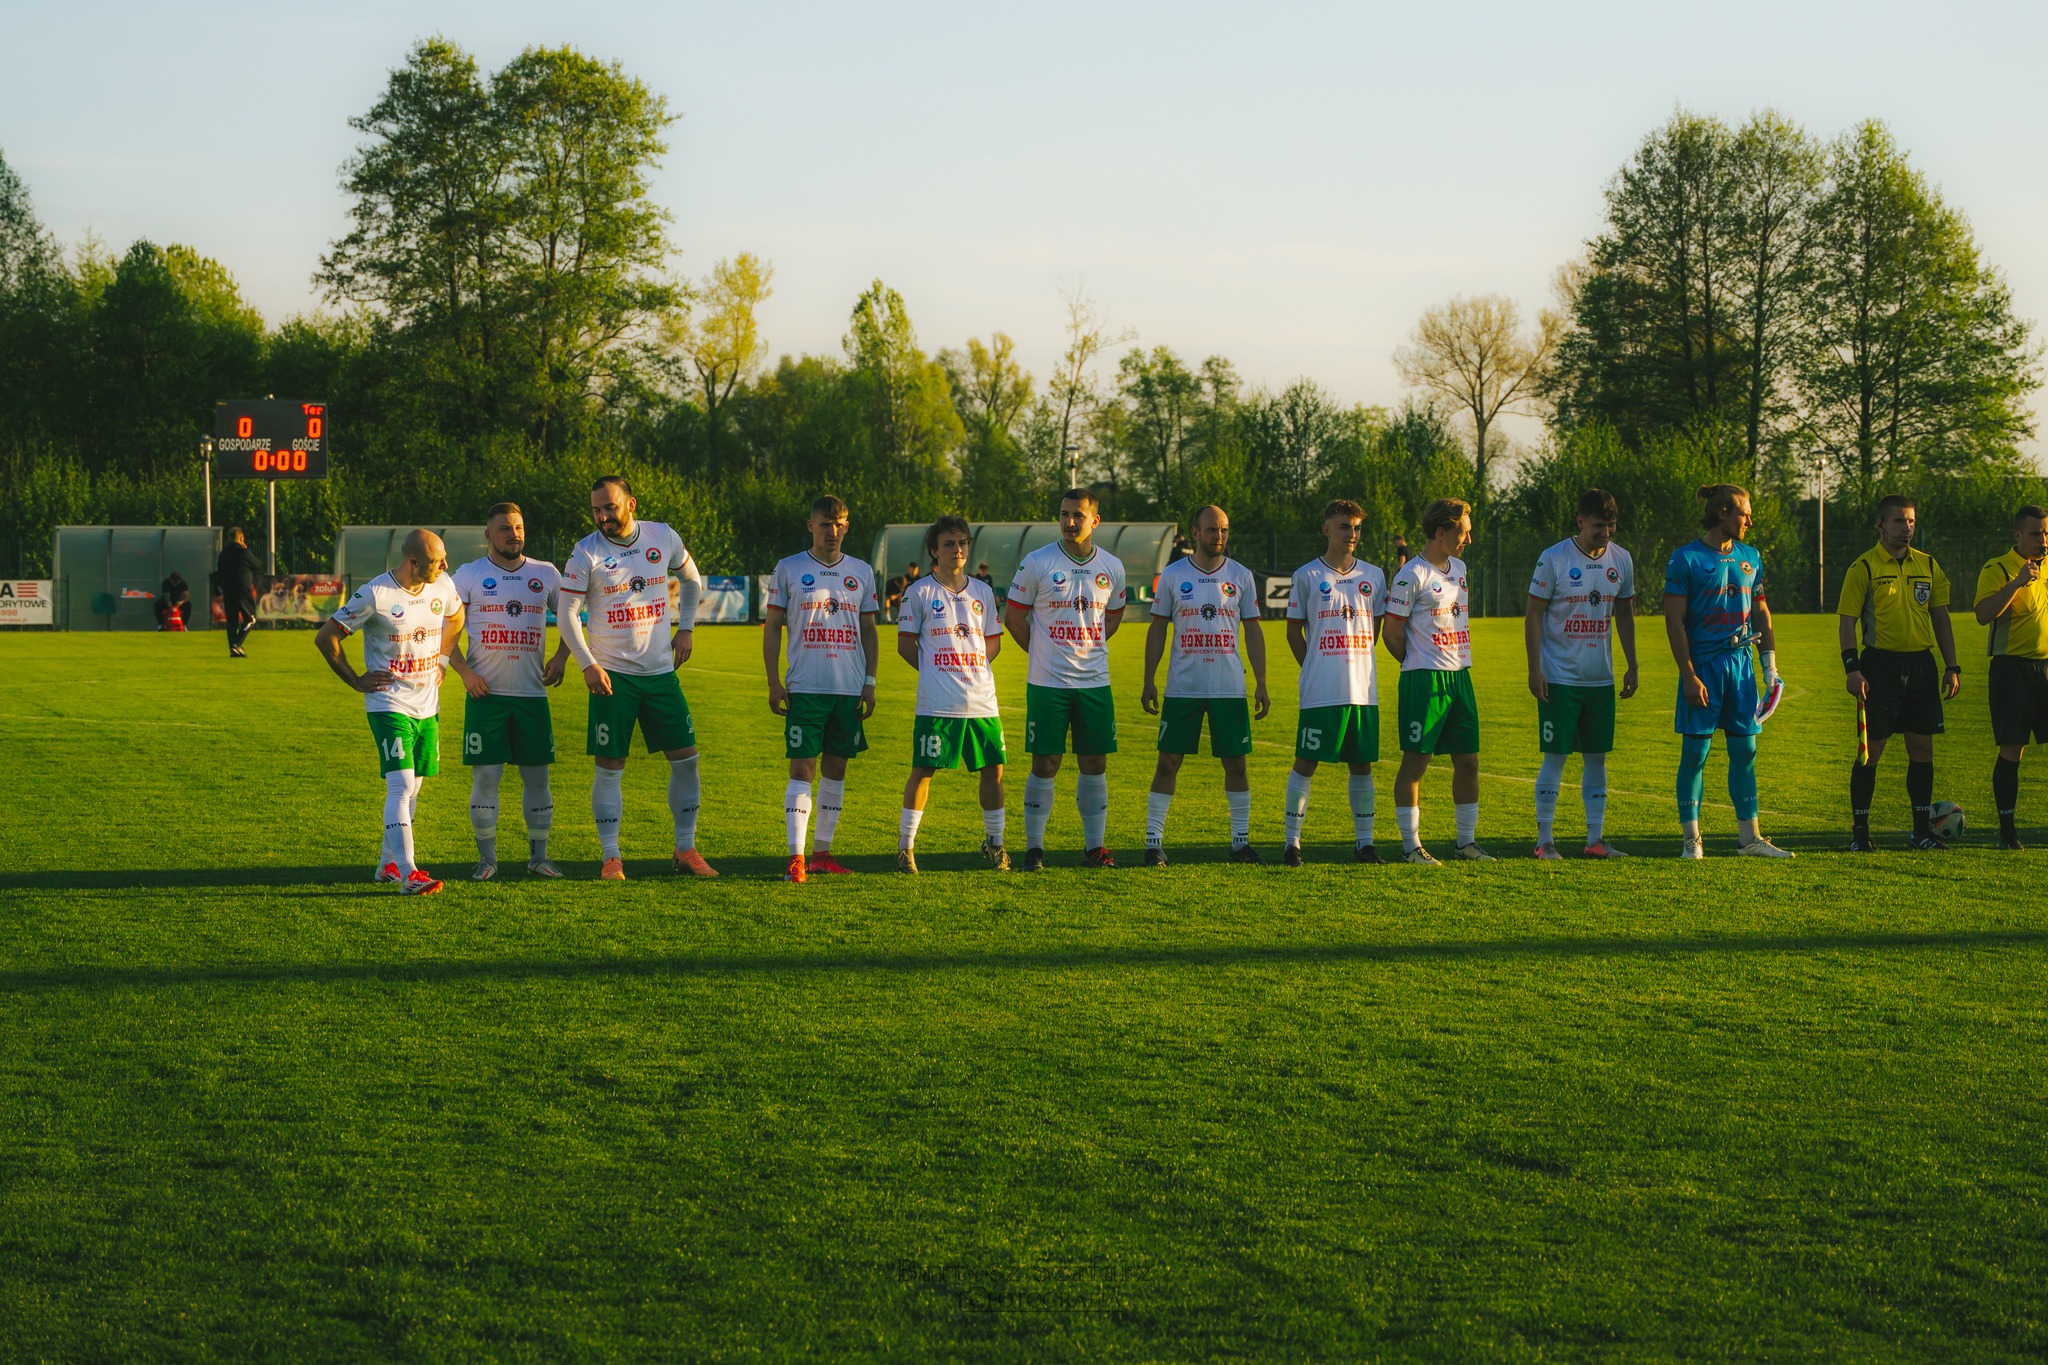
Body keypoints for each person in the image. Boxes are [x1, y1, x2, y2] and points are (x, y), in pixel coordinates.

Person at [555, 475, 718, 881]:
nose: (602, 517)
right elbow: (566, 613)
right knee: (610, 766)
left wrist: (686, 628)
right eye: (596, 510)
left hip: (660, 673)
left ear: (631, 504)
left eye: (609, 507)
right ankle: (611, 856)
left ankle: (686, 848)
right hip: (613, 676)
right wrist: (587, 664)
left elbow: (692, 580)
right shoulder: (585, 552)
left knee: (687, 760)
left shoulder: (662, 535)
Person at [314, 529, 460, 896]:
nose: (445, 565)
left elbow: (456, 618)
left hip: (427, 704)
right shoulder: (376, 594)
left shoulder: (442, 585)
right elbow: (326, 637)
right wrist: (355, 680)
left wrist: (443, 660)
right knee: (402, 785)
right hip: (388, 703)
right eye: (437, 561)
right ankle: (410, 874)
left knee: (415, 788)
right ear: (412, 562)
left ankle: (387, 866)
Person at [447, 502, 574, 880]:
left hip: (533, 696)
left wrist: (562, 656)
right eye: (504, 528)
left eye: (518, 527)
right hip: (486, 697)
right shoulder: (469, 575)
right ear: (489, 534)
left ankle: (539, 858)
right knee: (487, 778)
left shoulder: (545, 573)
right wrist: (466, 674)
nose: (513, 534)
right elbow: (445, 632)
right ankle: (487, 860)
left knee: (538, 779)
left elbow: (571, 620)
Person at [1664, 483, 1792, 858]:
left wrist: (1769, 667)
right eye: (1744, 514)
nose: (1749, 521)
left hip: (1741, 668)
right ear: (1722, 513)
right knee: (1695, 754)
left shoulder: (1751, 556)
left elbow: (1761, 612)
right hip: (1704, 667)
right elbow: (1674, 621)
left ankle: (1750, 839)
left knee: (1745, 751)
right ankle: (1692, 841)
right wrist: (1688, 674)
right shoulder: (1685, 559)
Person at [1005, 487, 1128, 870]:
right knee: (1046, 762)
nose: (1070, 522)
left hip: (1095, 682)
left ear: (1095, 521)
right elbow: (1014, 617)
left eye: (1078, 515)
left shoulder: (1112, 566)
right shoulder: (1037, 561)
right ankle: (1034, 849)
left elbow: (1113, 618)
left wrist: (1086, 648)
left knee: (1094, 762)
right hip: (1048, 683)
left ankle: (1095, 848)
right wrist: (1044, 653)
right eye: (1064, 514)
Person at [1142, 504, 1268, 865]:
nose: (1220, 536)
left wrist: (1261, 681)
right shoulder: (1174, 574)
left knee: (1236, 764)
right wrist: (1149, 679)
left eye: (1224, 529)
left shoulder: (1241, 575)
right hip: (1183, 686)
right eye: (1212, 530)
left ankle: (1240, 842)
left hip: (1229, 687)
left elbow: (1253, 630)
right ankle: (1153, 843)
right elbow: (1157, 628)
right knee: (1168, 762)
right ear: (1196, 533)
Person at [764, 495, 880, 882]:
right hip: (805, 687)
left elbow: (869, 630)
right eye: (826, 524)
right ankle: (796, 858)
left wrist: (870, 682)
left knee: (836, 769)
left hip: (848, 688)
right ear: (811, 526)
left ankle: (822, 855)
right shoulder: (789, 568)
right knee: (802, 768)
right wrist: (774, 682)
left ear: (847, 527)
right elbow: (772, 628)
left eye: (840, 524)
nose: (834, 531)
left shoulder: (861, 571)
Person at [1841, 495, 1961, 851]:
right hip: (1880, 667)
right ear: (1880, 525)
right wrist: (1852, 669)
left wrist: (1952, 666)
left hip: (1921, 665)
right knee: (1872, 749)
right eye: (1898, 521)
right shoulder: (1863, 567)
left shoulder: (1928, 565)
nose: (1907, 528)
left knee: (1922, 748)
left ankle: (1920, 832)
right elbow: (1847, 622)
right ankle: (1860, 834)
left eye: (1911, 521)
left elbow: (1941, 618)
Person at [1525, 488, 1639, 859]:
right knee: (1555, 756)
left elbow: (1624, 614)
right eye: (1597, 526)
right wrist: (1535, 669)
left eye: (1610, 525)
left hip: (1600, 679)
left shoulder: (1621, 559)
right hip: (1559, 677)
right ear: (1580, 521)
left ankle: (1595, 840)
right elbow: (1534, 615)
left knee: (1596, 758)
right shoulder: (1554, 558)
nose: (1605, 533)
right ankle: (1544, 841)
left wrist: (1632, 664)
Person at [896, 514, 1009, 873]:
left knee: (993, 770)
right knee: (923, 770)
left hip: (982, 700)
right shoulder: (919, 592)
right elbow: (905, 645)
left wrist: (972, 667)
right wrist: (936, 670)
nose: (957, 549)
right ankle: (905, 847)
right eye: (948, 544)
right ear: (934, 551)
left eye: (962, 543)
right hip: (938, 702)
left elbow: (993, 642)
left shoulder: (982, 592)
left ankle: (995, 844)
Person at [1279, 499, 1385, 867]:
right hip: (1321, 690)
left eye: (1356, 528)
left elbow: (1375, 629)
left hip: (1362, 690)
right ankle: (1292, 844)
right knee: (1306, 762)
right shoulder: (1307, 575)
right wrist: (1314, 666)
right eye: (1344, 526)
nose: (1352, 534)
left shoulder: (1374, 575)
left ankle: (1365, 844)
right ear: (1326, 529)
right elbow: (1293, 633)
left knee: (1362, 764)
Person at [1384, 498, 1489, 864]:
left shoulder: (1459, 567)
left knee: (1469, 761)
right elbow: (1391, 632)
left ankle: (1466, 843)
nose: (1468, 540)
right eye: (1464, 532)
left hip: (1461, 676)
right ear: (1441, 532)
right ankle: (1411, 847)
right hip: (1425, 680)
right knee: (1416, 763)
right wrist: (1418, 661)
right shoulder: (1412, 574)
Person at [1974, 504, 2048, 850]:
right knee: (2012, 750)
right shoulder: (1998, 568)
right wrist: (2017, 583)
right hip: (2011, 670)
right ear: (2018, 535)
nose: (2043, 540)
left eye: (2046, 533)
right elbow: (1983, 614)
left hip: (2046, 668)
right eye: (2036, 533)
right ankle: (2008, 832)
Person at [216, 527, 260, 657]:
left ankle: (233, 649)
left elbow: (219, 572)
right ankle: (237, 644)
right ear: (241, 538)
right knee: (250, 619)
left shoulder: (223, 554)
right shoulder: (243, 552)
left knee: (232, 622)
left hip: (228, 590)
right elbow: (257, 565)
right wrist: (246, 549)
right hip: (242, 591)